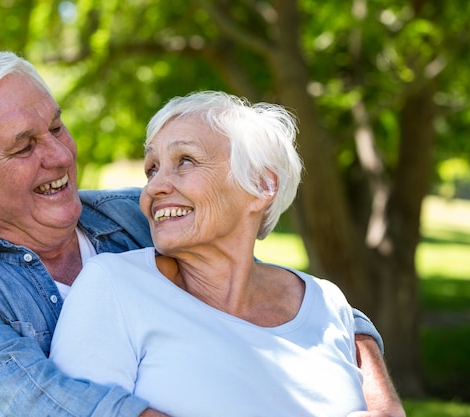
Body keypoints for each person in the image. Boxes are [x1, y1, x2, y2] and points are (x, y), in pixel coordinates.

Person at [0, 48, 401, 417]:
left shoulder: (138, 215)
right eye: (24, 147)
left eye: (56, 127)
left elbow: (283, 292)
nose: (60, 155)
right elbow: (32, 402)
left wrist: (376, 393)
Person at [50, 91, 406, 417]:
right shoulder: (114, 284)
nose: (154, 187)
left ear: (262, 186)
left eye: (185, 161)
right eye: (152, 169)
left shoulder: (327, 303)